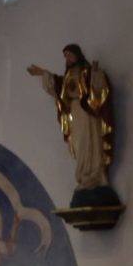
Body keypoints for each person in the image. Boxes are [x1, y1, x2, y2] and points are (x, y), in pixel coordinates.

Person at [27, 45, 115, 192]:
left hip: (88, 112)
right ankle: (83, 175)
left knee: (91, 142)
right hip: (75, 112)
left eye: (69, 55)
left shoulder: (86, 71)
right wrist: (42, 73)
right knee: (80, 143)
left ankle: (96, 176)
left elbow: (99, 88)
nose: (67, 59)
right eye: (65, 56)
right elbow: (58, 86)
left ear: (77, 55)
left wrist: (95, 73)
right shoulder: (68, 75)